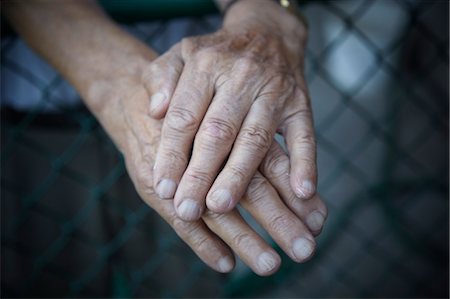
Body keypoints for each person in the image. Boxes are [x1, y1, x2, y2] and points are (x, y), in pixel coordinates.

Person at [2, 0, 327, 276]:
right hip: (32, 116)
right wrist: (121, 81)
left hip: (212, 85)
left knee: (188, 257)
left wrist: (262, 12)